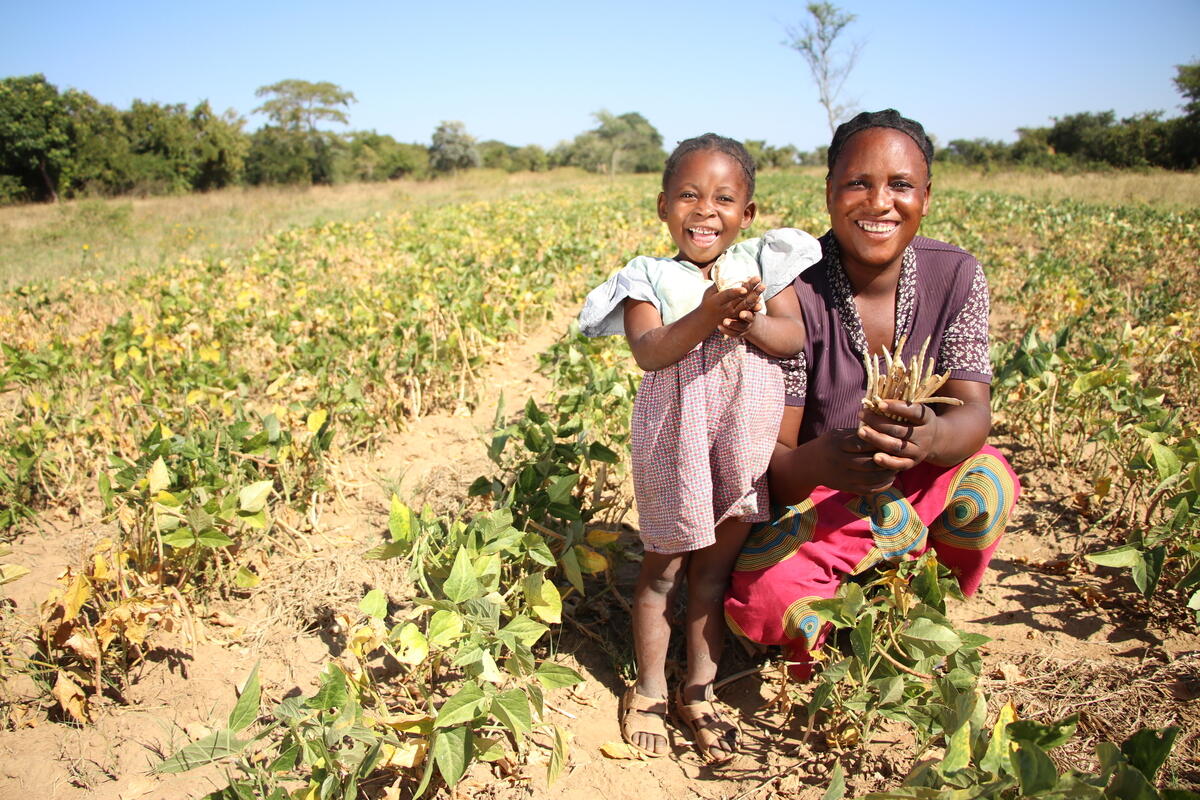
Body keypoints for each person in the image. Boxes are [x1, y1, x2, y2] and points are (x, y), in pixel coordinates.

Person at [724, 110, 1021, 679]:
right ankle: (843, 611)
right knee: (764, 604)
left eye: (900, 185)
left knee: (988, 482)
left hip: (915, 482)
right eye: (858, 183)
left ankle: (908, 596)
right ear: (830, 193)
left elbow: (974, 413)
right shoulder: (792, 291)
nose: (878, 202)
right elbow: (772, 471)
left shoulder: (955, 275)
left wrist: (932, 436)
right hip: (816, 503)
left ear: (926, 197)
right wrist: (820, 460)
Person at [577, 133, 821, 761]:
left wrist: (752, 321)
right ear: (663, 207)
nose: (704, 210)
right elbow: (651, 350)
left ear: (748, 213)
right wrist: (710, 315)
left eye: (723, 197)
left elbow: (791, 339)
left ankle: (699, 688)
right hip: (672, 442)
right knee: (661, 572)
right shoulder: (647, 278)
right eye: (688, 195)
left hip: (738, 440)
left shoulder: (764, 267)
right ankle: (651, 686)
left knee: (712, 574)